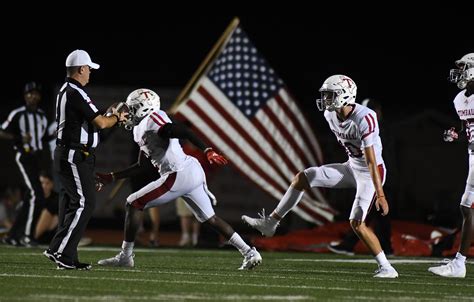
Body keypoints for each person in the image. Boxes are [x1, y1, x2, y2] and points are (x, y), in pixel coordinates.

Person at [242, 75, 398, 278]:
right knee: (303, 178)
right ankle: (271, 222)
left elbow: (370, 160)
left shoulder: (365, 117)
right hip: (351, 167)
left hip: (371, 173)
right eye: (325, 95)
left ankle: (387, 267)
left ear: (345, 95)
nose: (325, 99)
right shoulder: (330, 115)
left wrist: (381, 194)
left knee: (356, 223)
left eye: (330, 95)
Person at [95, 88, 262, 270]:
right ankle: (250, 252)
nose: (128, 112)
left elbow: (180, 130)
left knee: (133, 203)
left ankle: (125, 257)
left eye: (133, 108)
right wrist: (112, 177)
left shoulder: (153, 119)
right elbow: (142, 166)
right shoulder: (138, 129)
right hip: (189, 171)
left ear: (145, 108)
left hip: (177, 174)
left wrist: (206, 150)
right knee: (210, 219)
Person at [42, 49, 128, 270]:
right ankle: (59, 250)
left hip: (73, 154)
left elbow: (91, 123)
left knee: (73, 204)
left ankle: (67, 256)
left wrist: (109, 117)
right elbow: (100, 123)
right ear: (81, 69)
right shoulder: (75, 92)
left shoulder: (66, 90)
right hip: (73, 155)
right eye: (89, 68)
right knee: (84, 203)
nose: (90, 72)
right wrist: (116, 117)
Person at [328, 98, 393, 256]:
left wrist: (381, 192)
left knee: (364, 217)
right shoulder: (357, 122)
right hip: (367, 174)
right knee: (374, 216)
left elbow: (375, 159)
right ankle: (385, 248)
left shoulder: (372, 125)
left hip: (377, 174)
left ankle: (350, 245)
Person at [428, 53, 474, 278]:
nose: (460, 72)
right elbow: (468, 129)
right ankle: (459, 263)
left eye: (465, 68)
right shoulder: (459, 99)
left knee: (467, 207)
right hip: (472, 154)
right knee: (467, 207)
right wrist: (456, 134)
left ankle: (459, 263)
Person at [0, 81, 48, 246]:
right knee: (37, 195)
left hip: (37, 158)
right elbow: (2, 131)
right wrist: (18, 138)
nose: (33, 96)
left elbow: (44, 138)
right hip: (24, 156)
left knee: (30, 198)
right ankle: (27, 236)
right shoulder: (18, 114)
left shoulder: (42, 115)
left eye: (36, 93)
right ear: (25, 95)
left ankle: (13, 235)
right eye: (30, 93)